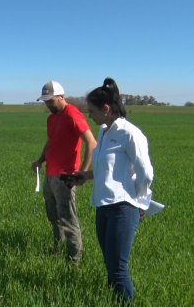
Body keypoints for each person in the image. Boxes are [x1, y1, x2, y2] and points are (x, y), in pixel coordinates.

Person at [74, 77, 154, 302]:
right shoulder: (103, 131)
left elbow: (146, 173)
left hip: (123, 208)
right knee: (110, 264)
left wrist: (140, 201)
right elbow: (107, 170)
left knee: (118, 269)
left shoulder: (130, 134)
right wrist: (85, 176)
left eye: (91, 110)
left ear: (106, 109)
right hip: (103, 206)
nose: (89, 115)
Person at [31, 81, 96, 261]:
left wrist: (81, 173)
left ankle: (74, 258)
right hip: (50, 174)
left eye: (50, 101)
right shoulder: (51, 119)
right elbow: (50, 142)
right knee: (53, 215)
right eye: (45, 101)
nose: (48, 105)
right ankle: (57, 247)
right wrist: (40, 160)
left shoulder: (73, 115)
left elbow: (91, 142)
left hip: (66, 175)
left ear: (61, 97)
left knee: (68, 218)